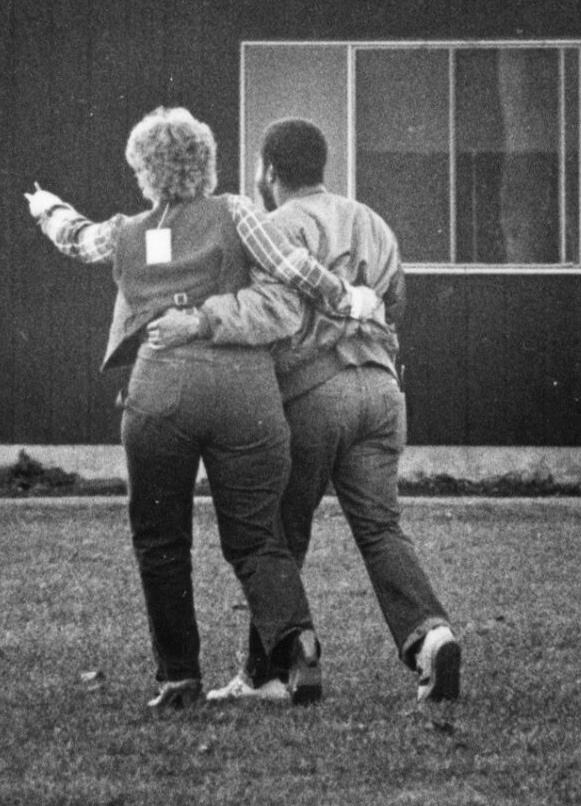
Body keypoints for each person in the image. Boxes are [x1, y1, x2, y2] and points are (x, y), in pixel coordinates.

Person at [27, 106, 384, 711]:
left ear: (144, 169)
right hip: (243, 389)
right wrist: (349, 298)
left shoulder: (127, 231)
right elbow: (292, 269)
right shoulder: (235, 211)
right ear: (206, 161)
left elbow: (76, 239)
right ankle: (297, 643)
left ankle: (178, 678)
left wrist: (46, 208)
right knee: (254, 534)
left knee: (160, 537)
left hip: (160, 390)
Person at [147, 117, 463, 704]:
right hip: (381, 389)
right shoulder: (372, 221)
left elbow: (272, 312)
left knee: (275, 535)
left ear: (269, 171)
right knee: (380, 527)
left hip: (316, 392)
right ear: (323, 165)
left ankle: (271, 671)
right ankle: (430, 636)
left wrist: (200, 323)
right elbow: (395, 304)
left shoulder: (274, 228)